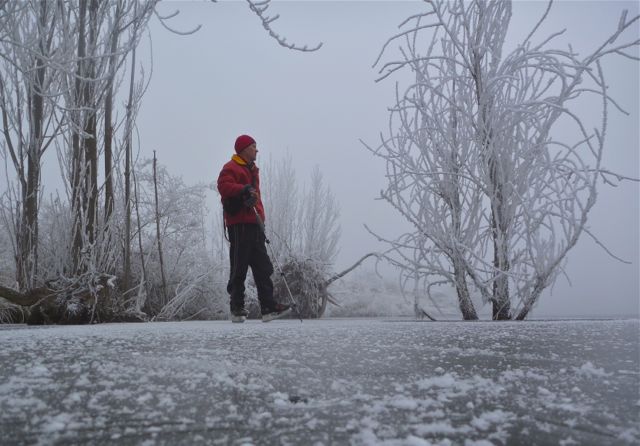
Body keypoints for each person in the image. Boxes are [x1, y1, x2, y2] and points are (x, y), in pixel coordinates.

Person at [217, 134, 292, 323]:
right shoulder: (231, 167)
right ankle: (237, 308)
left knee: (263, 266)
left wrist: (261, 219)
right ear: (244, 149)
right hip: (239, 225)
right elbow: (223, 186)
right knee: (239, 267)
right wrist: (243, 189)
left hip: (254, 224)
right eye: (253, 147)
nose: (256, 150)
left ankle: (268, 307)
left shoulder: (252, 169)